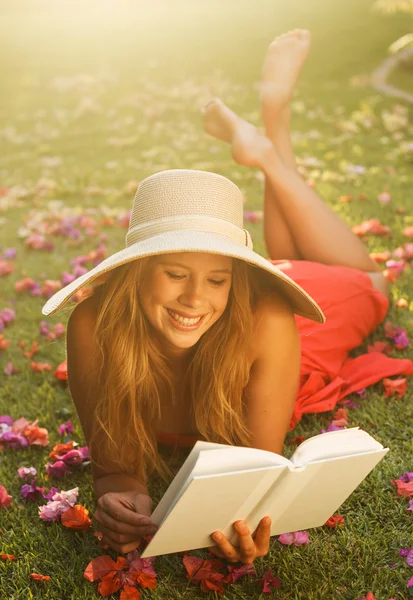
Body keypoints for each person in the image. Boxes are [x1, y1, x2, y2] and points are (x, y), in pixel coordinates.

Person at [42, 29, 413, 565]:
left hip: (273, 337)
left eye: (218, 278)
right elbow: (115, 467)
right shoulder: (95, 325)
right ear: (134, 273)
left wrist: (249, 518)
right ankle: (267, 138)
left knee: (371, 284)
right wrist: (118, 495)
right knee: (298, 261)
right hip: (244, 308)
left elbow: (258, 471)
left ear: (236, 278)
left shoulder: (267, 316)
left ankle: (270, 143)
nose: (195, 297)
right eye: (174, 273)